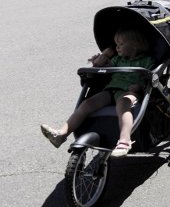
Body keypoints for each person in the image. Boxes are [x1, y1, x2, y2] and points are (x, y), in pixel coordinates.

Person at [40, 28, 154, 157]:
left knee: (123, 104)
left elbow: (151, 78)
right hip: (111, 89)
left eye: (121, 44)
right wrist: (99, 62)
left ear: (135, 45)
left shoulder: (147, 61)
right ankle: (61, 133)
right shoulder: (118, 60)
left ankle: (125, 141)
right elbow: (106, 66)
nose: (117, 47)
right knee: (88, 103)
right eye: (116, 44)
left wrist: (139, 86)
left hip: (129, 92)